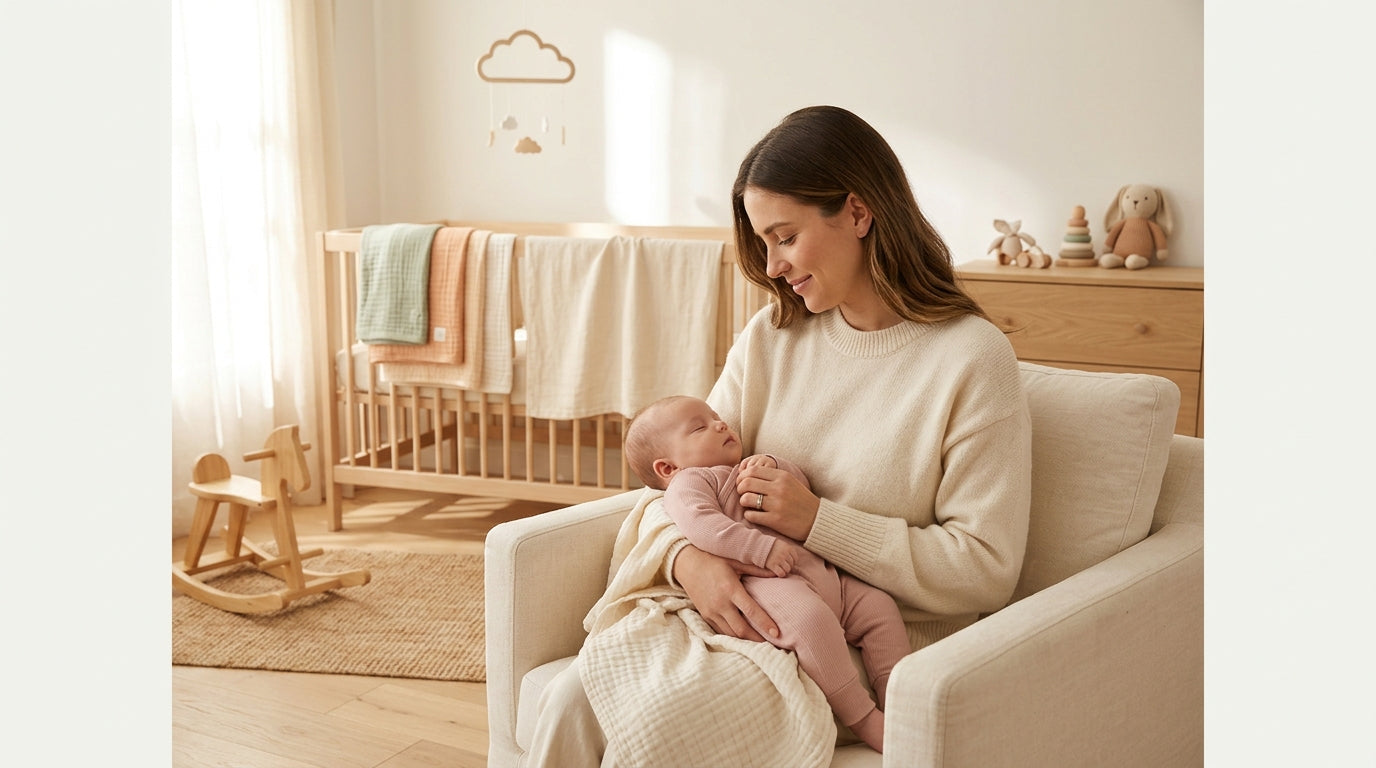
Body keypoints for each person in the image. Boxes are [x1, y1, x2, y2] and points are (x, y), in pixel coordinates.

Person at [526, 104, 1032, 763]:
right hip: (747, 611)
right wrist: (692, 561)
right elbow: (678, 487)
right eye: (762, 243)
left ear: (856, 212)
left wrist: (817, 521)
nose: (771, 265)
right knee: (572, 697)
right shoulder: (772, 339)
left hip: (861, 646)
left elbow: (986, 567)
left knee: (656, 722)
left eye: (784, 237)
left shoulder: (971, 359)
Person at [622, 394, 911, 753]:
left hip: (819, 570)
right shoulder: (690, 483)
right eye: (700, 427)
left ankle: (897, 695)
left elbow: (801, 489)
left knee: (879, 607)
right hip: (765, 582)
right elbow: (701, 525)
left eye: (715, 416)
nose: (719, 423)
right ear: (668, 468)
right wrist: (761, 549)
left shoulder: (746, 465)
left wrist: (775, 467)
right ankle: (863, 716)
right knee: (811, 622)